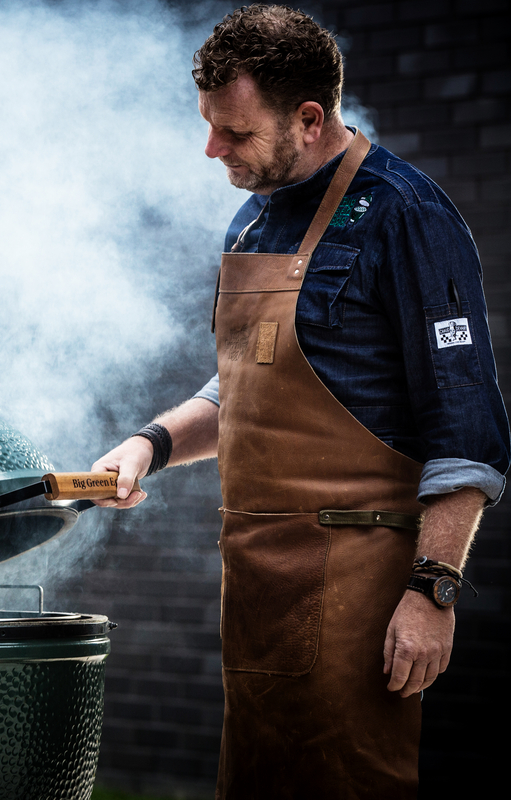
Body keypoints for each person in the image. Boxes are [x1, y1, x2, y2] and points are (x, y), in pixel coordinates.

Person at [90, 5, 510, 799]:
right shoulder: (255, 220)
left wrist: (433, 592)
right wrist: (149, 444)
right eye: (211, 127)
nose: (213, 149)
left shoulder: (407, 216)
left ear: (309, 119)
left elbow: (465, 435)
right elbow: (246, 391)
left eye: (235, 133)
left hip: (359, 595)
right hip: (257, 593)